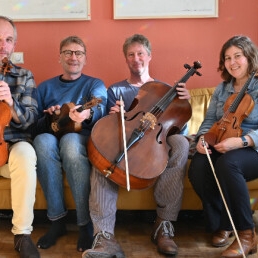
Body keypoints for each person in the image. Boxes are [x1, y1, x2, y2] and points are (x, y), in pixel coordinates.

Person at [82, 34, 191, 258]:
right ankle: (103, 237)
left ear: (149, 56)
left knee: (180, 143)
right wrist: (115, 115)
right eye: (130, 54)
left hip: (154, 147)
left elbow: (179, 130)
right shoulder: (115, 91)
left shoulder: (165, 90)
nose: (136, 58)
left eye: (140, 53)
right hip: (125, 142)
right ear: (126, 59)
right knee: (102, 152)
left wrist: (183, 103)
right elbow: (109, 127)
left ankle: (163, 226)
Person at [32, 36, 107, 252]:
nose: (73, 57)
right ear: (60, 57)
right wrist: (47, 117)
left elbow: (100, 106)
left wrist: (86, 113)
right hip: (51, 136)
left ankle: (85, 224)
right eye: (68, 52)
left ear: (85, 58)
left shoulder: (94, 84)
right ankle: (57, 222)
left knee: (71, 141)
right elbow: (33, 126)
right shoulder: (45, 88)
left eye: (78, 53)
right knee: (42, 140)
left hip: (79, 136)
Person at [188, 35, 258, 257]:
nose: (232, 62)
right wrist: (202, 139)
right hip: (222, 141)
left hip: (252, 147)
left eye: (238, 56)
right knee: (198, 167)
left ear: (249, 57)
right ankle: (224, 223)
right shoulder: (222, 88)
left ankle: (247, 235)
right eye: (227, 58)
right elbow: (210, 121)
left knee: (228, 164)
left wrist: (241, 141)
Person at [0, 16, 39, 258]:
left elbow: (31, 120)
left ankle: (22, 234)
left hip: (10, 148)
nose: (2, 45)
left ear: (14, 45)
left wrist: (10, 102)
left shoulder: (23, 76)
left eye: (8, 40)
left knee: (26, 153)